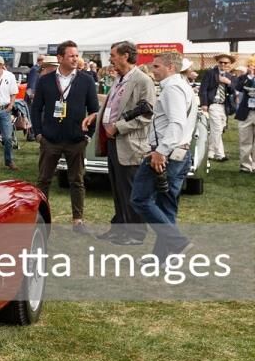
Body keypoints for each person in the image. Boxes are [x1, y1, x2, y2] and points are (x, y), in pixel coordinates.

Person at [131, 52, 197, 260]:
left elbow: (176, 123)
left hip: (167, 153)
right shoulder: (182, 86)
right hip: (180, 152)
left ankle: (178, 242)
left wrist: (160, 152)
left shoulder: (173, 89)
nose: (153, 70)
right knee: (166, 206)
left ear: (171, 67)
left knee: (140, 198)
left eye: (157, 66)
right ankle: (163, 257)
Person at [31, 40, 100, 234]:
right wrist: (38, 133)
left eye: (77, 55)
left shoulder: (86, 80)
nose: (75, 58)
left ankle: (78, 220)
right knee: (44, 179)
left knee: (76, 180)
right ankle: (41, 218)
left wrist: (89, 135)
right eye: (71, 55)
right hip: (50, 139)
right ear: (60, 58)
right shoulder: (45, 80)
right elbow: (36, 109)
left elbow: (94, 110)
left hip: (76, 139)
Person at [96, 41, 156, 246]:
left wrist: (118, 127)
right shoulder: (120, 79)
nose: (110, 59)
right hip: (113, 142)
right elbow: (114, 106)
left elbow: (147, 115)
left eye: (113, 55)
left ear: (125, 56)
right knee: (117, 188)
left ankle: (136, 234)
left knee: (131, 189)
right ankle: (119, 228)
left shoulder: (142, 81)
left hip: (130, 143)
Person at [198, 53, 235, 162]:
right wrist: (204, 103)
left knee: (219, 129)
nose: (223, 64)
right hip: (213, 104)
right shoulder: (210, 73)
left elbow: (234, 90)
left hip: (224, 106)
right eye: (221, 62)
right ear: (218, 63)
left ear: (230, 64)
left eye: (226, 63)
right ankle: (220, 154)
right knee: (217, 128)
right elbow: (203, 89)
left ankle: (210, 151)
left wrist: (228, 83)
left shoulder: (230, 76)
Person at [233, 58, 255, 173]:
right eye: (252, 65)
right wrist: (249, 77)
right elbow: (238, 88)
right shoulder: (243, 77)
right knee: (245, 140)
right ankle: (245, 166)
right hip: (246, 113)